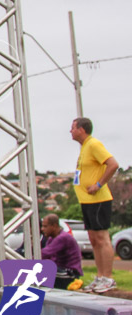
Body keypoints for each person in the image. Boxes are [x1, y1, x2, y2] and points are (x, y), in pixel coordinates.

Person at [70, 117, 119, 294]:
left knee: (102, 238)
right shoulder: (84, 147)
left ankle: (108, 278)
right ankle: (100, 276)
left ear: (82, 129)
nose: (70, 131)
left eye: (73, 128)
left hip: (98, 199)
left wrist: (98, 184)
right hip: (87, 201)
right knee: (93, 239)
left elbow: (113, 164)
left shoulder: (94, 144)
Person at [40, 214, 82, 289]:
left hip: (70, 274)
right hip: (61, 270)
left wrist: (25, 261)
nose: (42, 229)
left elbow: (44, 253)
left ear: (54, 226)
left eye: (45, 226)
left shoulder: (63, 237)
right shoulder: (51, 238)